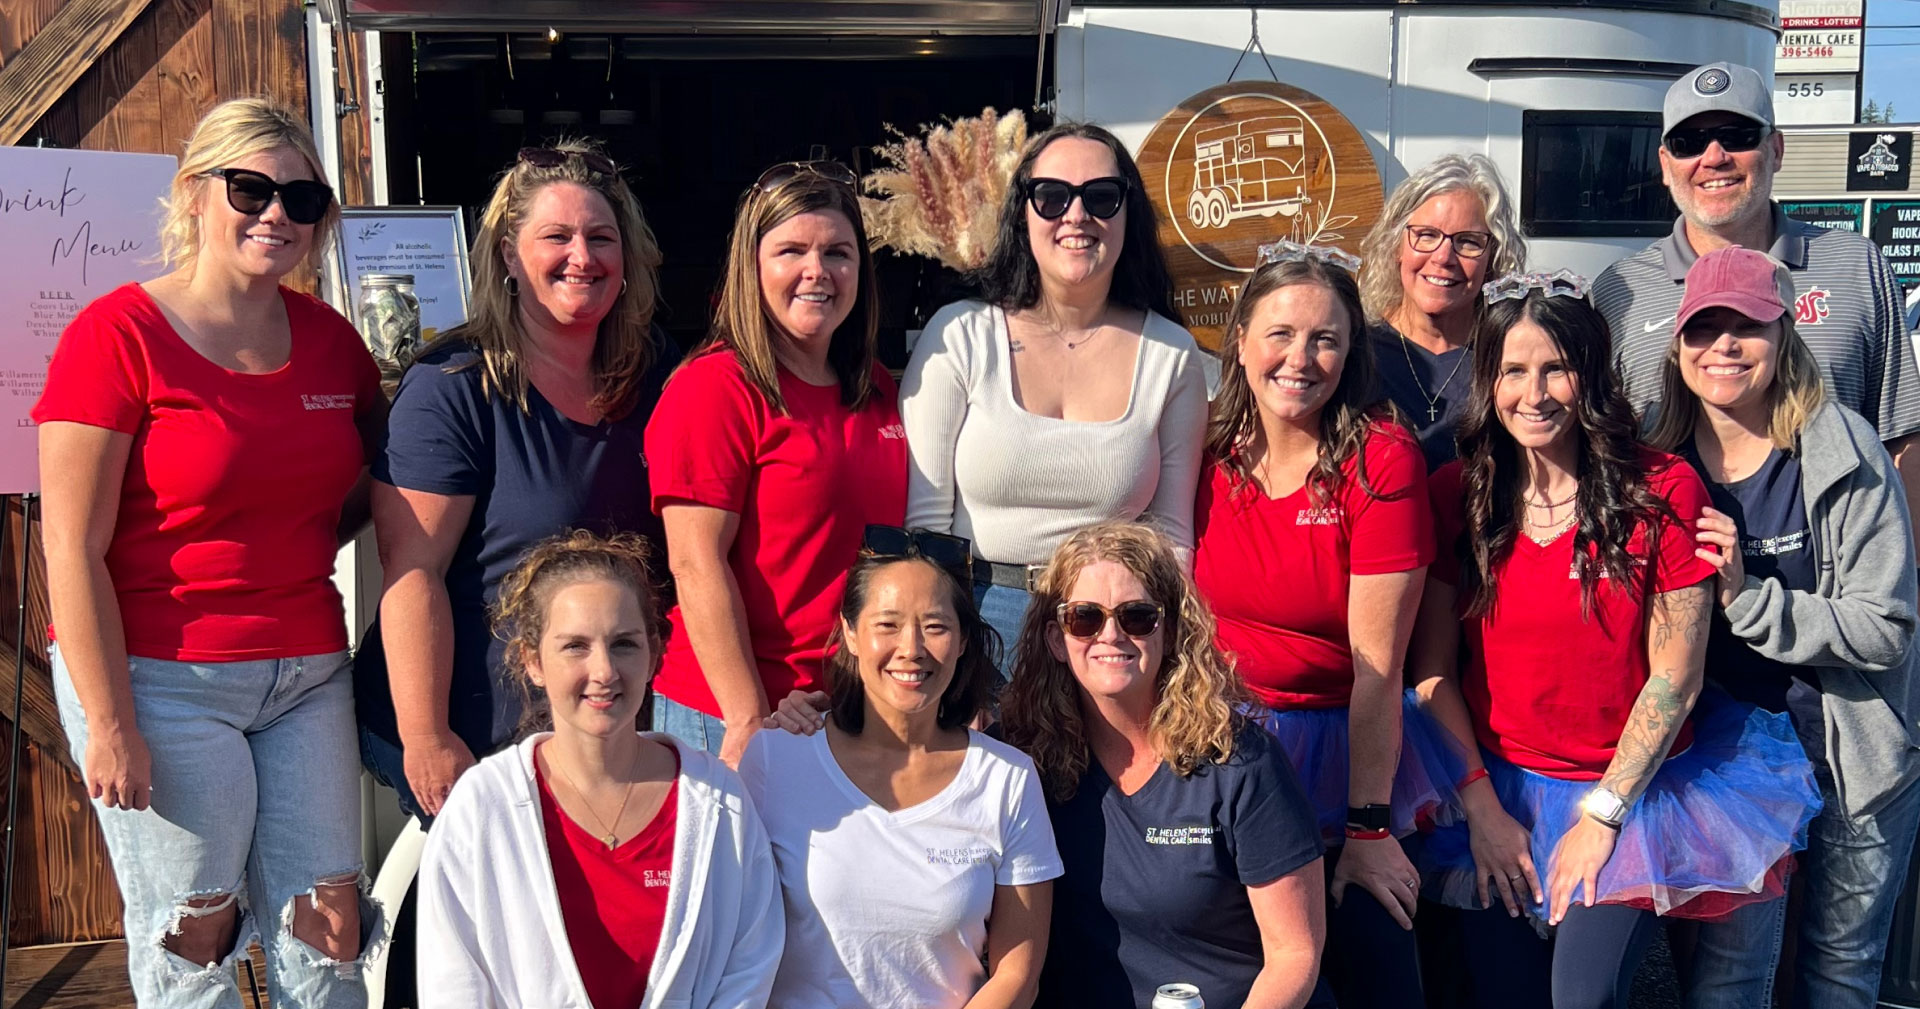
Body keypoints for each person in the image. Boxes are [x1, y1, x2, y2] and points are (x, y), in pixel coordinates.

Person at [36, 98, 384, 1004]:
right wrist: (110, 722)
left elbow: (360, 492)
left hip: (307, 671)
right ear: (195, 194)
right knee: (198, 932)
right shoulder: (115, 336)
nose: (276, 213)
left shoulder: (333, 345)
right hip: (161, 678)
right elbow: (70, 545)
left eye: (302, 199)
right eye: (251, 189)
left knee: (330, 924)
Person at [1409, 276, 1820, 1009]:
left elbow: (1676, 676)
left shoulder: (1662, 490)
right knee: (1504, 993)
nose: (1533, 394)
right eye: (1512, 370)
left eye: (1556, 368)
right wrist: (1482, 810)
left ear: (1591, 375)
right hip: (1495, 785)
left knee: (1582, 995)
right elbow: (1434, 670)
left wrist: (1604, 817)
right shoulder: (1458, 493)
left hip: (1633, 793)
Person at [355, 141, 674, 821]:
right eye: (555, 236)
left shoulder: (657, 377)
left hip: (599, 733)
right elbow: (412, 572)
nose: (582, 257)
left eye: (601, 237)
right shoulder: (453, 387)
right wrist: (427, 737)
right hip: (477, 732)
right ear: (507, 254)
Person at [1646, 246, 1920, 1009]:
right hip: (1731, 761)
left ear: (1786, 334)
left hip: (1850, 750)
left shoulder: (1844, 448)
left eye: (1748, 326)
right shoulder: (1660, 461)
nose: (1725, 346)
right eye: (1706, 327)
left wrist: (1747, 596)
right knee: (1729, 973)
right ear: (1678, 343)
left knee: (1838, 968)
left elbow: (1886, 627)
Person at [1194, 242, 1458, 1008]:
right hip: (1224, 746)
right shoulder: (1206, 448)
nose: (1300, 358)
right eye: (1280, 333)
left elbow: (1379, 664)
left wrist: (1370, 826)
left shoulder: (1381, 457)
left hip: (1345, 750)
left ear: (1352, 351)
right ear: (1239, 339)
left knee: (1371, 964)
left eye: (1325, 338)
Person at [417, 530, 783, 1009]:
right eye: (575, 646)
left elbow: (749, 965)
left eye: (624, 644)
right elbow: (454, 983)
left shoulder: (717, 801)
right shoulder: (483, 808)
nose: (605, 671)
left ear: (654, 653)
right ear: (533, 662)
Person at [902, 123, 1210, 655]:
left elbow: (1171, 540)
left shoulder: (1170, 353)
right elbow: (925, 527)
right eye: (1051, 197)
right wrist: (945, 663)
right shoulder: (960, 335)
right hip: (976, 615)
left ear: (1127, 213)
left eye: (1101, 197)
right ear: (1023, 213)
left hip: (1110, 629)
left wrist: (1164, 656)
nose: (1076, 215)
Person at [1592, 61, 1920, 552]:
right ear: (1665, 164)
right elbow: (1600, 456)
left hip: (1829, 599)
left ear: (1777, 148)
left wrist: (1902, 583)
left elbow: (1902, 441)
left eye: (1737, 134)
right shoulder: (1619, 291)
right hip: (1671, 591)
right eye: (1689, 143)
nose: (1714, 156)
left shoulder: (1855, 266)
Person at [1002, 521, 1330, 1009]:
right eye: (1085, 618)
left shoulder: (1240, 761)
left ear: (1170, 629)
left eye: (1136, 617)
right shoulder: (1019, 762)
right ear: (1056, 638)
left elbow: (1294, 954)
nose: (1110, 635)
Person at [645, 160, 906, 765]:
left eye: (838, 252)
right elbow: (694, 561)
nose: (818, 271)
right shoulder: (714, 388)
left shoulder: (874, 389)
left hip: (843, 706)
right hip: (735, 712)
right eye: (792, 251)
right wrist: (746, 717)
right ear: (752, 266)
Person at [740, 530, 1061, 1009]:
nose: (911, 648)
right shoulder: (774, 759)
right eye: (887, 625)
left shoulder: (1007, 779)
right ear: (850, 632)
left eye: (935, 626)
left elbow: (1017, 974)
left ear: (963, 641)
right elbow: (733, 947)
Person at [1358, 154, 1527, 470]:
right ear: (1397, 245)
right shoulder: (1355, 354)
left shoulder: (1508, 359)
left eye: (1468, 242)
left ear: (1493, 258)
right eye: (1427, 235)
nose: (1443, 256)